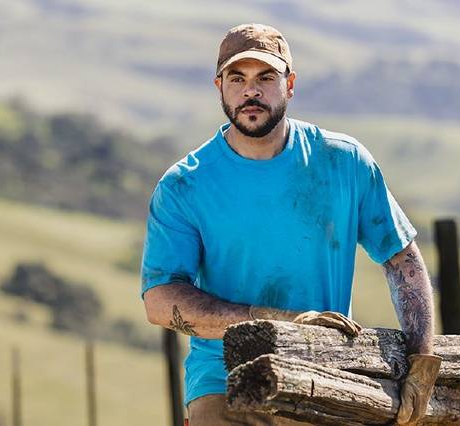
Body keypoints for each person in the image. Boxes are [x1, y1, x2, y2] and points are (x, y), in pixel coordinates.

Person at [141, 23, 441, 426]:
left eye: (266, 78)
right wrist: (278, 323)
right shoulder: (185, 185)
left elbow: (403, 260)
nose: (251, 91)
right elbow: (160, 301)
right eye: (238, 78)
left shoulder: (343, 162)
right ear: (220, 87)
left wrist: (422, 364)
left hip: (329, 378)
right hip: (224, 384)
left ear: (290, 84)